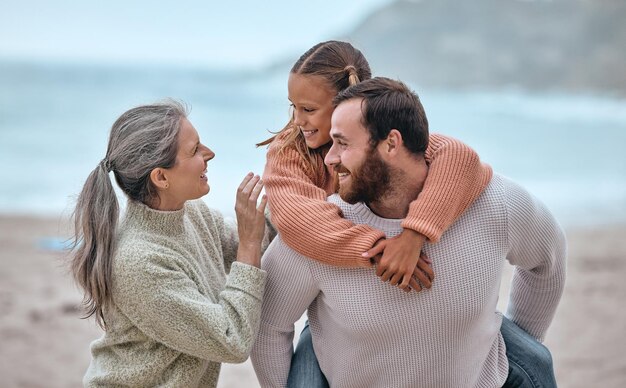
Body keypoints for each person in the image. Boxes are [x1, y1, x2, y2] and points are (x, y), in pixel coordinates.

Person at [251, 78, 566, 387]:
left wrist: (522, 345)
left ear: (391, 143)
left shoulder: (495, 202)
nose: (330, 158)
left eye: (343, 144)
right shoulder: (319, 232)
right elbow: (268, 326)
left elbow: (546, 259)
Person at [258, 40, 492, 292]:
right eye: (294, 106)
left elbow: (459, 157)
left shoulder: (377, 137)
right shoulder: (289, 152)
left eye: (308, 109)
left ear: (343, 106)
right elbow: (298, 219)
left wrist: (413, 236)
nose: (298, 120)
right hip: (316, 287)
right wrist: (382, 250)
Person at [70, 100, 273, 387]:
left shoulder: (193, 214)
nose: (210, 154)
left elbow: (257, 239)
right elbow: (232, 339)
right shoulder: (140, 262)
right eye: (195, 150)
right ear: (161, 177)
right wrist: (250, 245)